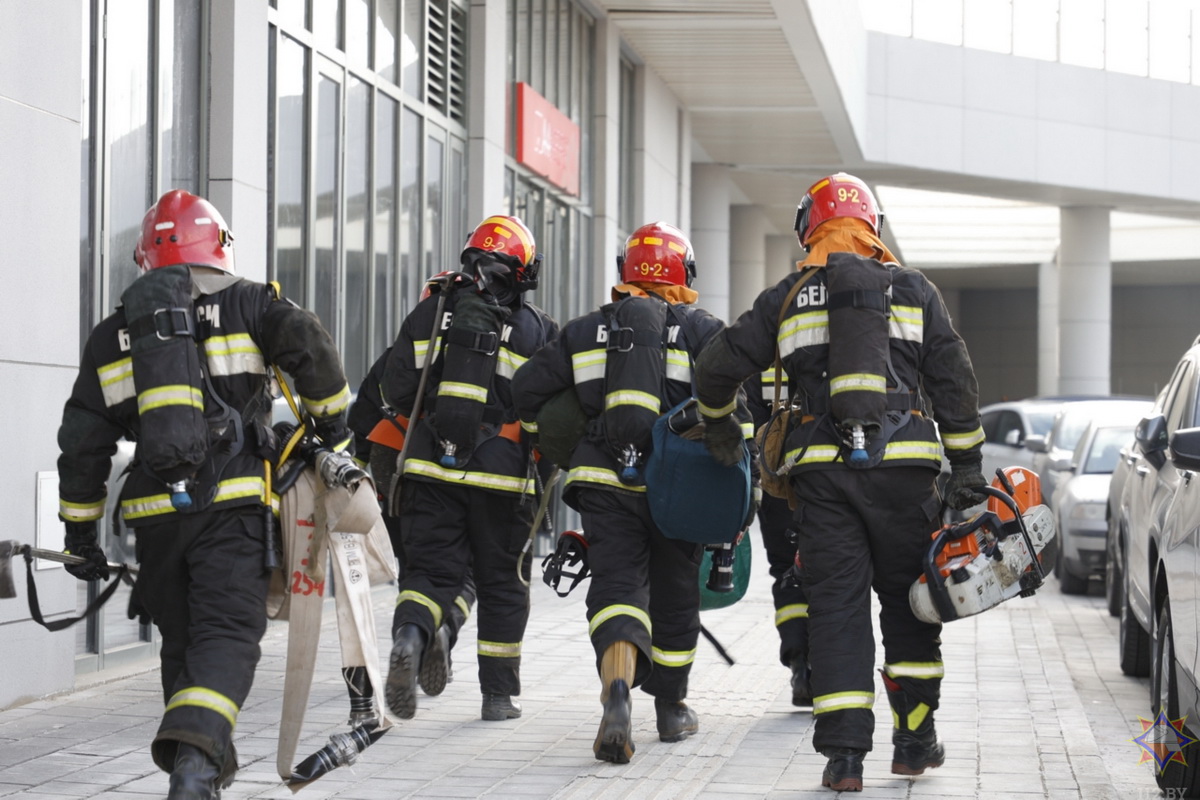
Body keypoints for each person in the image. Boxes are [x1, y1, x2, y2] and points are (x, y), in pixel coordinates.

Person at [693, 173, 986, 792]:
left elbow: (717, 365)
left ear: (810, 227)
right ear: (872, 226)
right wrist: (965, 469)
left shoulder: (789, 295)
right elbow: (954, 381)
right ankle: (913, 742)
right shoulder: (915, 291)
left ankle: (844, 758)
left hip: (823, 479)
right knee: (912, 604)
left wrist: (720, 423)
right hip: (908, 474)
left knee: (837, 610)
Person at [56, 189, 353, 799]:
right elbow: (313, 349)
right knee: (227, 634)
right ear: (217, 250)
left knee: (184, 639)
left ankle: (210, 766)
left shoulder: (114, 335)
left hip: (155, 517)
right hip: (234, 506)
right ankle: (192, 764)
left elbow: (83, 443)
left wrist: (80, 533)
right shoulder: (251, 304)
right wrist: (332, 427)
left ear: (146, 259)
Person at [511, 222, 753, 763]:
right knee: (674, 593)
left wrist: (556, 437)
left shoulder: (584, 330)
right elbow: (741, 411)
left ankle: (616, 693)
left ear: (625, 274)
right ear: (684, 274)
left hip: (602, 480)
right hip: (679, 488)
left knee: (619, 587)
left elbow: (525, 390)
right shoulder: (703, 331)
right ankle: (670, 710)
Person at [380, 215, 557, 723]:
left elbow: (395, 390)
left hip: (428, 471)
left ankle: (412, 638)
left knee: (429, 573)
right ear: (524, 270)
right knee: (502, 582)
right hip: (501, 479)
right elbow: (548, 411)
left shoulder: (429, 312)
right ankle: (498, 697)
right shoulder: (537, 328)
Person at [345, 274, 477, 698]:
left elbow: (361, 421)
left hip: (393, 476)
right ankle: (442, 631)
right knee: (467, 570)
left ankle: (412, 637)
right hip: (443, 472)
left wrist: (357, 478)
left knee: (416, 567)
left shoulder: (394, 358)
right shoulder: (477, 353)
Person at [743, 371, 812, 707]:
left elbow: (750, 426)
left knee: (787, 573)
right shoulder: (841, 337)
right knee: (834, 574)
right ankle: (825, 668)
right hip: (828, 480)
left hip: (778, 484)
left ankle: (800, 665)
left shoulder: (763, 362)